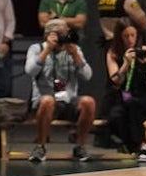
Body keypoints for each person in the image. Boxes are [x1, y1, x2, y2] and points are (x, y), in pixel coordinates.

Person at [25, 18, 96, 162]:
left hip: (68, 99)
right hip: (44, 101)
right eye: (59, 34)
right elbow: (30, 71)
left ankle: (80, 147)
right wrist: (47, 50)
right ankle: (40, 147)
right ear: (49, 35)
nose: (63, 37)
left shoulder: (74, 50)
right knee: (47, 101)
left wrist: (76, 55)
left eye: (65, 33)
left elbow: (87, 76)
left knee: (89, 102)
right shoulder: (37, 48)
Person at [105, 19, 146, 160]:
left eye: (133, 35)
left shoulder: (144, 50)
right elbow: (115, 81)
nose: (131, 39)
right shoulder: (113, 53)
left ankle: (142, 145)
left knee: (134, 107)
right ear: (120, 37)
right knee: (116, 116)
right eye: (126, 36)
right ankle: (138, 146)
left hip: (143, 96)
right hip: (122, 96)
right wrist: (126, 63)